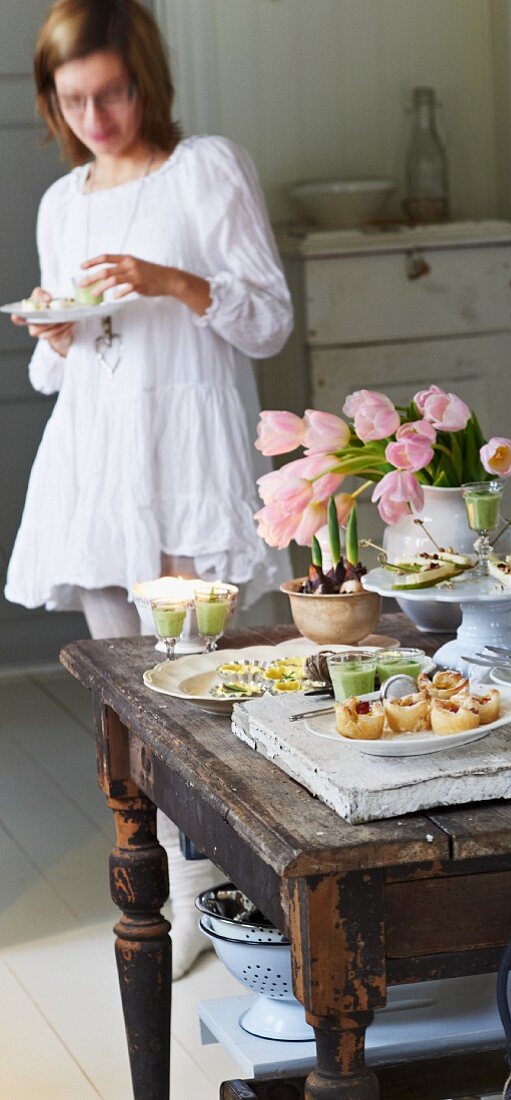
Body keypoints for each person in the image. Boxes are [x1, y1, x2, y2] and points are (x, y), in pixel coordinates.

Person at [5, 0, 293, 977]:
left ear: (146, 80)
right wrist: (54, 337)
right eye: (74, 98)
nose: (97, 116)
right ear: (52, 100)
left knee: (194, 698)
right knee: (124, 700)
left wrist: (172, 281)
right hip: (93, 469)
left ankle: (229, 883)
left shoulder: (207, 166)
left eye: (114, 91)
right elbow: (64, 370)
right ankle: (157, 889)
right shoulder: (62, 203)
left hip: (184, 457)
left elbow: (267, 322)